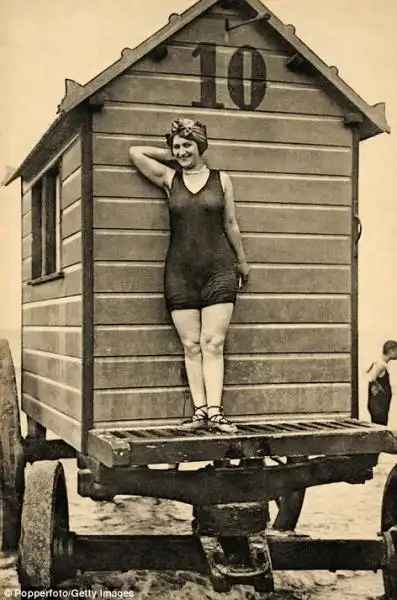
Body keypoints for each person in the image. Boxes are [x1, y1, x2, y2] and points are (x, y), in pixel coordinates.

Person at [129, 118, 250, 434]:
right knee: (191, 345)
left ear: (201, 146)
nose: (182, 151)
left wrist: (242, 262)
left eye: (187, 145)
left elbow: (231, 224)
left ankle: (215, 413)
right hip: (180, 272)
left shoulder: (222, 180)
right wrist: (172, 152)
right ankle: (199, 412)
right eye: (177, 146)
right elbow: (134, 153)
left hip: (219, 270)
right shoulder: (170, 178)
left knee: (213, 342)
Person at [366, 340, 397, 426]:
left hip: (380, 405)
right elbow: (371, 378)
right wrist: (379, 389)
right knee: (380, 429)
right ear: (391, 351)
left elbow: (368, 374)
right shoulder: (380, 364)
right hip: (379, 405)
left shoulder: (380, 363)